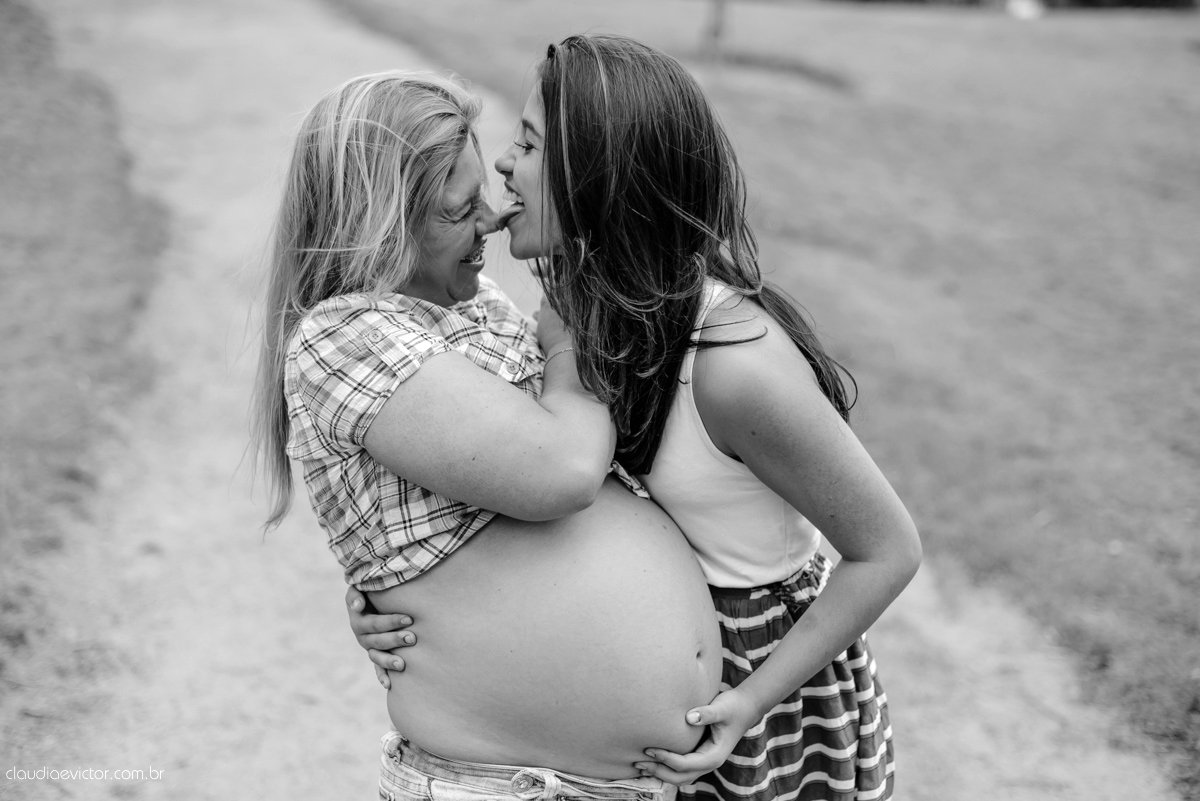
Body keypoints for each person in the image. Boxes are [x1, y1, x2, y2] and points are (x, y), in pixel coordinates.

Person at [349, 35, 922, 801]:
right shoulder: (572, 317)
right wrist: (384, 596)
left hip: (755, 713)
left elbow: (887, 550)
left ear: (599, 179)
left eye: (527, 143)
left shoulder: (732, 365)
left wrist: (749, 702)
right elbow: (497, 478)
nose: (504, 167)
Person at [252, 70, 726, 801]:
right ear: (377, 221)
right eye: (459, 208)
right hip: (507, 783)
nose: (495, 220)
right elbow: (563, 469)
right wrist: (570, 337)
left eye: (486, 194)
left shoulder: (475, 308)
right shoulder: (343, 335)